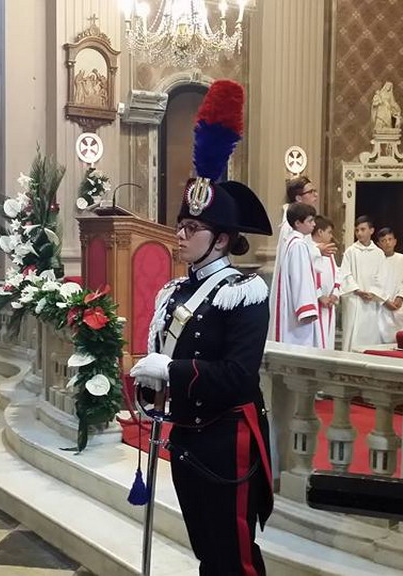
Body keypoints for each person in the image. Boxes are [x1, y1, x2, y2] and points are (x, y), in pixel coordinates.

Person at [130, 79, 273, 575]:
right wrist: (151, 390)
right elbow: (164, 362)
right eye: (181, 225)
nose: (180, 234)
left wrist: (170, 370)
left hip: (228, 440)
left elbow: (237, 376)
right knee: (207, 551)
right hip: (188, 437)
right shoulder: (175, 291)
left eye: (192, 228)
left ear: (222, 239)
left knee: (235, 555)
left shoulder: (244, 292)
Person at [268, 176, 333, 340]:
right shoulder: (291, 228)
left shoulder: (300, 228)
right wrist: (317, 250)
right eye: (311, 192)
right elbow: (296, 266)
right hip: (295, 300)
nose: (315, 195)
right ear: (298, 198)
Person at [272, 202, 323, 347]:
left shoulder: (292, 241)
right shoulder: (298, 245)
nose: (314, 224)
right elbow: (300, 279)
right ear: (298, 223)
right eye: (310, 221)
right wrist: (306, 309)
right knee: (299, 346)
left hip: (292, 306)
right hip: (297, 313)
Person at [340, 215, 385, 351]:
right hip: (354, 298)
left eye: (363, 229)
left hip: (371, 301)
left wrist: (373, 292)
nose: (359, 233)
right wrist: (357, 290)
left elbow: (382, 276)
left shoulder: (379, 253)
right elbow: (345, 273)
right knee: (352, 332)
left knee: (370, 333)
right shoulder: (350, 251)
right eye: (357, 230)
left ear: (371, 230)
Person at [372, 228, 403, 343]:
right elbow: (373, 283)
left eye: (390, 239)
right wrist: (385, 301)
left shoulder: (401, 259)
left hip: (398, 302)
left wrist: (400, 298)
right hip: (382, 302)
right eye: (383, 241)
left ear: (395, 241)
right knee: (381, 327)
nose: (387, 243)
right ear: (379, 244)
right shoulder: (375, 261)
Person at [311, 216, 340, 349]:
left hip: (329, 303)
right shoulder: (310, 250)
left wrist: (335, 293)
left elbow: (336, 273)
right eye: (329, 232)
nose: (331, 236)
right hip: (316, 303)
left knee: (328, 340)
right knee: (317, 340)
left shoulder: (328, 251)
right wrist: (319, 295)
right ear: (320, 232)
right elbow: (309, 275)